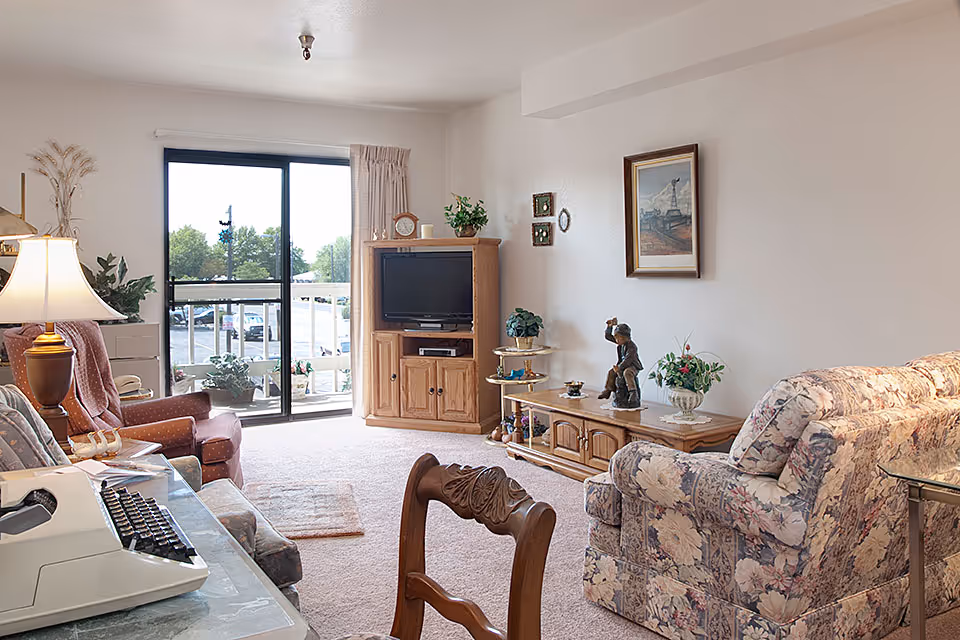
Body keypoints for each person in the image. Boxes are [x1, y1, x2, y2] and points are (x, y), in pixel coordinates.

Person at [598, 316, 643, 408]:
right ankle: (608, 390)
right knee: (611, 372)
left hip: (632, 366)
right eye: (616, 338)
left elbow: (628, 359)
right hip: (623, 365)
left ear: (626, 338)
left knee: (627, 373)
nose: (617, 340)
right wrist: (609, 326)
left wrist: (620, 368)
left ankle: (633, 393)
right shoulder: (620, 343)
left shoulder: (632, 346)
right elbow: (607, 336)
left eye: (619, 338)